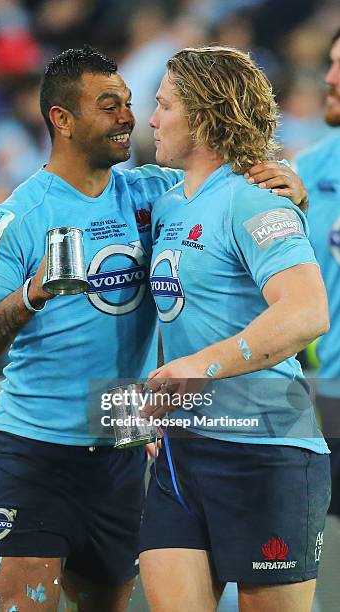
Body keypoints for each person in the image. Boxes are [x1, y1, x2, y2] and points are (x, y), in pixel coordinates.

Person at [0, 46, 185, 612]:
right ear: (62, 119)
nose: (128, 117)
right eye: (109, 106)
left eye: (130, 103)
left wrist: (283, 189)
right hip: (34, 457)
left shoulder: (155, 194)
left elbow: (229, 198)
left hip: (123, 449)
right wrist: (32, 294)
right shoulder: (16, 218)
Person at [138, 46, 331, 612]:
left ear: (200, 115)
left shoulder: (256, 201)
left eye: (163, 104)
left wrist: (201, 365)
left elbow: (306, 312)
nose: (150, 118)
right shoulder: (167, 204)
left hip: (265, 450)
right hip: (179, 452)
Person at [246, 29, 340, 520]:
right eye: (330, 62)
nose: (329, 78)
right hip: (326, 394)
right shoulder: (310, 169)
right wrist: (297, 208)